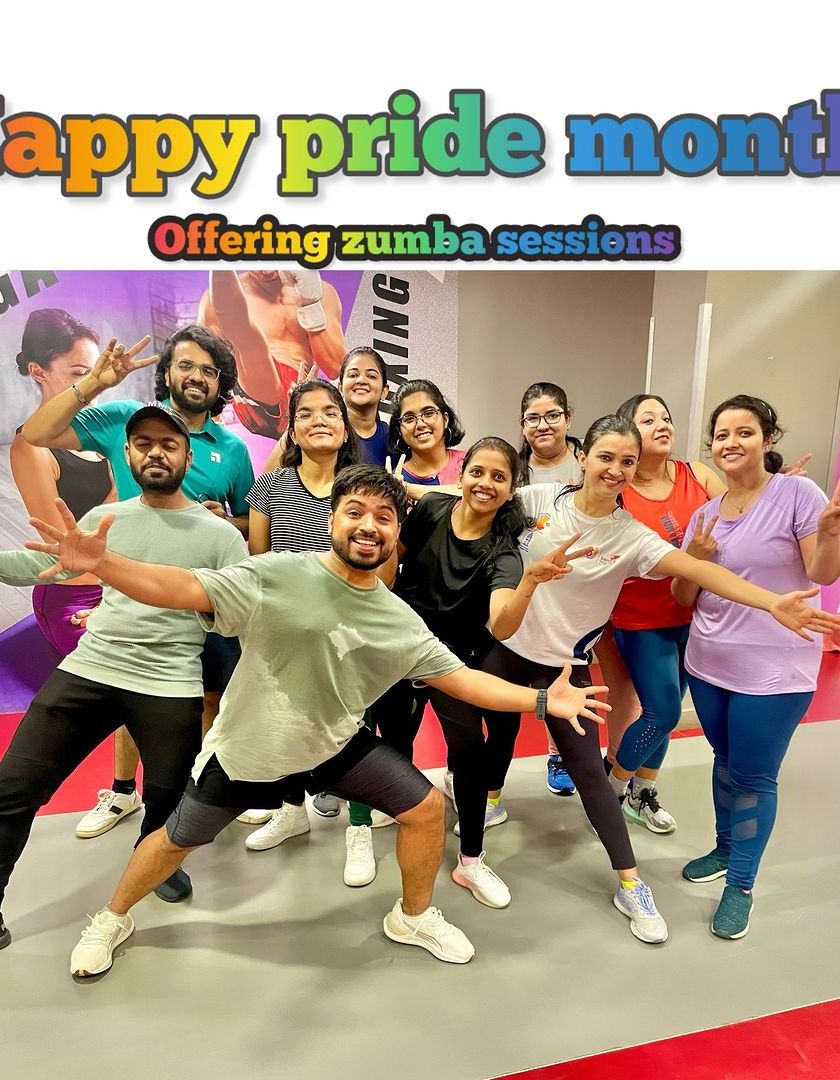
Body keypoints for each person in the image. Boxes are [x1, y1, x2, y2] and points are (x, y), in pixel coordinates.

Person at [23, 465, 611, 975]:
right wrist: (104, 563)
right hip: (250, 751)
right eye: (355, 511)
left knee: (427, 808)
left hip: (333, 746)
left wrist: (542, 702)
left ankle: (412, 916)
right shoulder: (276, 574)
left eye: (384, 517)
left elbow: (461, 679)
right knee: (178, 839)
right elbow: (179, 587)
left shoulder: (397, 618)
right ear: (333, 518)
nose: (368, 525)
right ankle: (112, 917)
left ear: (397, 533)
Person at [480, 414, 839, 943]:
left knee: (593, 773)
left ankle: (633, 882)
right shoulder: (539, 500)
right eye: (606, 457)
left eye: (627, 461)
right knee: (489, 743)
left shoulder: (631, 534)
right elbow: (472, 501)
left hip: (565, 668)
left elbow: (699, 572)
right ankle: (481, 822)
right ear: (583, 457)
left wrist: (770, 603)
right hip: (507, 648)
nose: (616, 469)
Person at [0, 404, 249, 953]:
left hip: (170, 680)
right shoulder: (105, 519)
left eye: (169, 443)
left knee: (167, 800)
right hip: (91, 668)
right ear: (128, 453)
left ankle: (154, 866)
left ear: (188, 457)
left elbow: (234, 617)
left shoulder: (220, 536)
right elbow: (47, 564)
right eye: (144, 443)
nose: (156, 452)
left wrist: (203, 600)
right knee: (11, 790)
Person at [21, 327, 255, 842]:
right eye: (186, 365)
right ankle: (123, 791)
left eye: (209, 370)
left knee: (207, 702)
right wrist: (93, 384)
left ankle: (191, 799)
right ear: (166, 373)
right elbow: (36, 433)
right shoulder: (125, 418)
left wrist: (222, 521)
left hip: (196, 605)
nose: (197, 377)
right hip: (126, 600)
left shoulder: (233, 449)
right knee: (125, 693)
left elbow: (247, 519)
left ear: (220, 384)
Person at [376, 438, 590, 908]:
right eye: (478, 472)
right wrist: (386, 525)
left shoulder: (504, 552)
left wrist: (529, 582)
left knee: (469, 757)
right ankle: (398, 812)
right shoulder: (431, 509)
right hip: (401, 650)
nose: (485, 484)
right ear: (462, 474)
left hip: (454, 664)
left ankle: (470, 860)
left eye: (499, 477)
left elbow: (502, 624)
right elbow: (390, 571)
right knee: (393, 743)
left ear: (512, 488)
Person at [672, 395, 840, 939]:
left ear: (768, 440)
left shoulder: (797, 494)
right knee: (725, 760)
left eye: (744, 432)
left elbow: (822, 572)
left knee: (753, 776)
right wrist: (695, 559)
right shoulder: (704, 513)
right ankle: (725, 849)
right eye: (722, 434)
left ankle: (740, 884)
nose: (731, 442)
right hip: (707, 661)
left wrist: (832, 532)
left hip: (775, 668)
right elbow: (683, 596)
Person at [238, 381, 367, 882]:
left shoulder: (363, 487)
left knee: (354, 728)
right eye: (306, 413)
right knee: (287, 720)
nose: (319, 420)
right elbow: (260, 564)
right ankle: (291, 810)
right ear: (291, 430)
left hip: (349, 631)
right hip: (287, 629)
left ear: (345, 427)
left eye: (330, 412)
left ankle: (359, 826)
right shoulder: (268, 487)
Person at [606, 394, 725, 833]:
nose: (662, 425)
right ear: (628, 431)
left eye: (666, 418)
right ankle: (611, 789)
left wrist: (777, 490)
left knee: (666, 713)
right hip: (642, 620)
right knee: (663, 713)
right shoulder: (619, 489)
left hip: (696, 617)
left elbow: (742, 515)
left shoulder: (698, 475)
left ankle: (642, 792)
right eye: (648, 419)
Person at [9, 309, 116, 655]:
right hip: (76, 594)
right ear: (38, 372)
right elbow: (64, 549)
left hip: (124, 583)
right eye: (82, 375)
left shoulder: (105, 429)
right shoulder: (30, 448)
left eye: (98, 374)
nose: (95, 386)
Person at [517, 382, 585, 796]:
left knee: (569, 670)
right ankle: (553, 754)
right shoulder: (515, 469)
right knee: (539, 674)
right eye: (533, 418)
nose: (543, 425)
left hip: (582, 585)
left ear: (567, 419)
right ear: (522, 425)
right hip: (531, 584)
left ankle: (564, 754)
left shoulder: (587, 462)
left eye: (552, 415)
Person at [198, 270, 346, 439]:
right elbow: (207, 363)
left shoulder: (320, 291)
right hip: (253, 395)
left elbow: (336, 367)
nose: (267, 271)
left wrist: (310, 305)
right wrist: (212, 420)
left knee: (245, 335)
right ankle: (220, 264)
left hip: (301, 398)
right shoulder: (216, 298)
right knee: (245, 335)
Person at [387, 379, 466, 493]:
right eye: (409, 419)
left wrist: (408, 489)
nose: (420, 424)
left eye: (428, 413)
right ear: (399, 431)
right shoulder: (395, 480)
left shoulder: (470, 463)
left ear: (445, 419)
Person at [338, 347, 390, 465]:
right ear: (340, 387)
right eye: (353, 375)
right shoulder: (329, 431)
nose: (361, 380)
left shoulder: (392, 439)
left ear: (384, 391)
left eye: (371, 376)